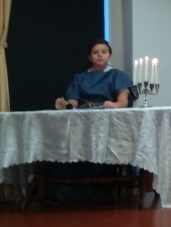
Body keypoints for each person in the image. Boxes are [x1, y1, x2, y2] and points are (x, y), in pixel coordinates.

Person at [49, 39, 134, 205]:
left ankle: (97, 192)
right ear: (90, 57)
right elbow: (73, 102)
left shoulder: (118, 75)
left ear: (109, 55)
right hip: (83, 122)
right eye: (95, 52)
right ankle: (63, 192)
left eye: (104, 52)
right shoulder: (80, 77)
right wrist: (66, 105)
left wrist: (113, 105)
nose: (100, 55)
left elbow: (123, 101)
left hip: (109, 124)